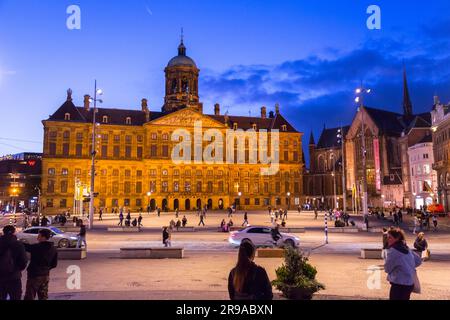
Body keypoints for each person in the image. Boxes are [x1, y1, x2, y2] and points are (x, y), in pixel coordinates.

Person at [384, 228, 422, 300]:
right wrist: (409, 266)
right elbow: (418, 261)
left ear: (397, 238)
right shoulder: (406, 248)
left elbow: (387, 269)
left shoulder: (393, 251)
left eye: (390, 237)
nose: (387, 239)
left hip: (398, 284)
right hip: (409, 283)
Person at [24, 229, 58, 300]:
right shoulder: (53, 249)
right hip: (45, 275)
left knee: (30, 296)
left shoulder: (37, 247)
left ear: (44, 237)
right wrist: (46, 268)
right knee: (43, 296)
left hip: (34, 275)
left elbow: (26, 247)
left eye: (39, 236)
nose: (37, 238)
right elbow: (54, 264)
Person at [0, 226, 28, 300]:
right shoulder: (18, 244)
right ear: (13, 232)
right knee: (15, 297)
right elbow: (24, 260)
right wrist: (18, 269)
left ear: (3, 232)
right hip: (14, 277)